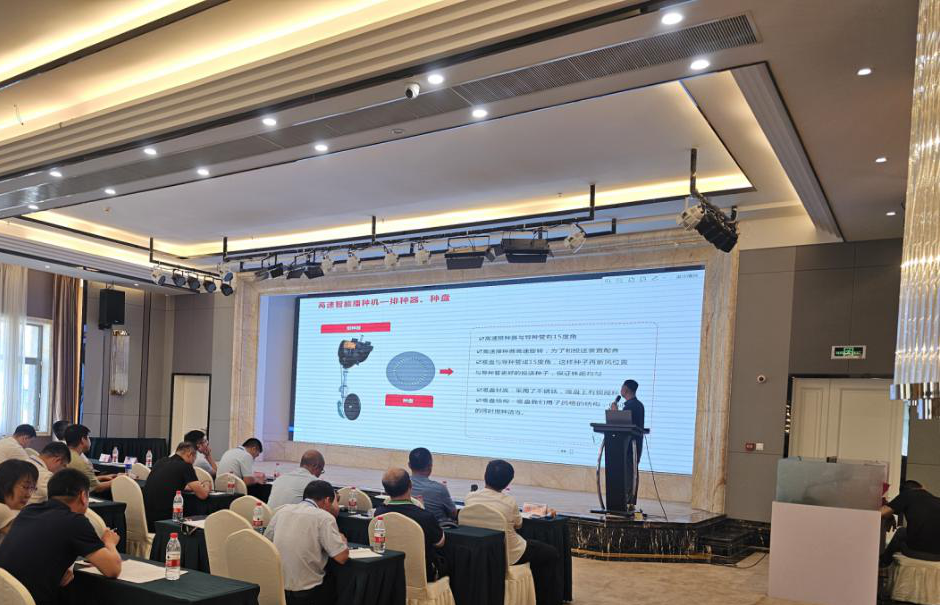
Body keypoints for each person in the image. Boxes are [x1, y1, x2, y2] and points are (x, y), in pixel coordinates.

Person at [0, 468, 121, 605]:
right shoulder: (75, 521)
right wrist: (109, 542)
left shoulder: (29, 510)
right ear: (83, 496)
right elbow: (113, 570)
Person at [464, 460, 561, 605]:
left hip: (481, 553)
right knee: (551, 553)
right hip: (510, 553)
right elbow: (519, 524)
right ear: (507, 483)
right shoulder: (508, 502)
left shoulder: (470, 497)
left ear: (485, 476)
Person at [265, 480, 349, 605]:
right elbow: (342, 557)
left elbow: (266, 544)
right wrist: (342, 540)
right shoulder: (324, 517)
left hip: (278, 587)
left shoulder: (282, 511)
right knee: (342, 584)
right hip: (308, 591)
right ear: (327, 500)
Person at [374, 468, 448, 581]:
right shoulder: (424, 516)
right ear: (410, 485)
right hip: (421, 576)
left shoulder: (379, 514)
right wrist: (422, 509)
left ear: (386, 491)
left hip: (388, 574)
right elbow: (439, 543)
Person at [142, 441, 210, 531]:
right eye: (194, 458)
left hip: (147, 518)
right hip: (166, 520)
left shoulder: (161, 461)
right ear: (190, 454)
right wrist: (207, 483)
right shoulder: (185, 466)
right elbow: (203, 495)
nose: (193, 462)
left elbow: (169, 483)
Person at [880, 480, 940, 566]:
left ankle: (883, 562)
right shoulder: (937, 500)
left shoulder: (907, 494)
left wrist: (889, 517)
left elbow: (881, 512)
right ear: (923, 487)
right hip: (938, 556)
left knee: (901, 532)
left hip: (916, 552)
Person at [408, 447, 457, 524]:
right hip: (435, 529)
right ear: (430, 465)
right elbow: (453, 514)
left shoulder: (400, 485)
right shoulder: (440, 489)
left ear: (409, 465)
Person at [64, 424, 116, 494]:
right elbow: (97, 488)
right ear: (83, 440)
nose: (90, 441)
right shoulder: (81, 462)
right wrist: (119, 480)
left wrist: (103, 477)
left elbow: (81, 479)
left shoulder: (64, 454)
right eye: (88, 438)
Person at [0, 460, 39, 545]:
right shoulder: (2, 510)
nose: (28, 495)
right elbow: (30, 540)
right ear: (5, 484)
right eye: (25, 487)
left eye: (32, 488)